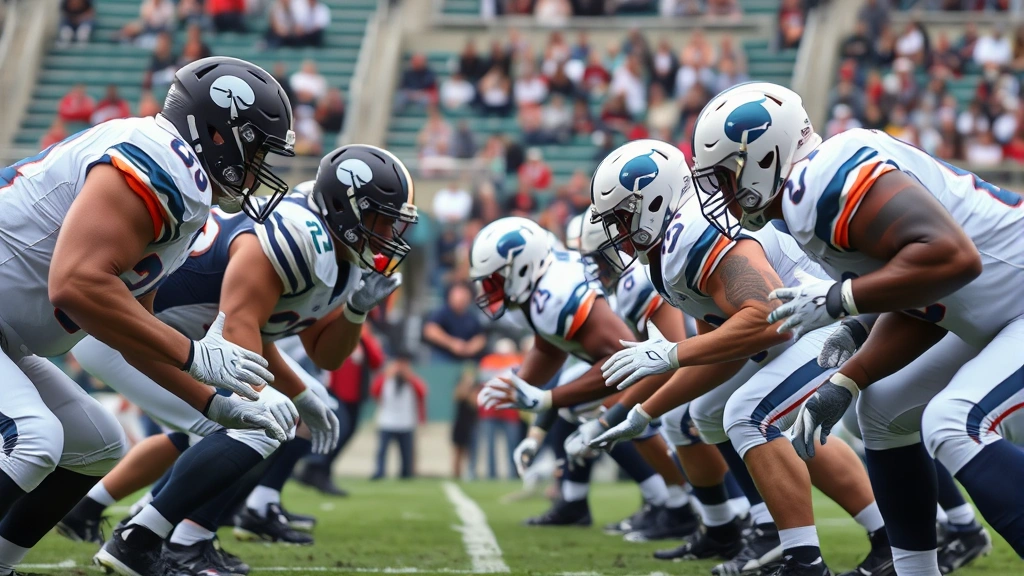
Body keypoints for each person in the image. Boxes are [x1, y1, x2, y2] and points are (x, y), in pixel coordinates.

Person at [690, 81, 1020, 575]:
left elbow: (952, 259)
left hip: (1011, 304)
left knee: (954, 421)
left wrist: (840, 300)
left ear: (763, 156)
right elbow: (930, 300)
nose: (721, 193)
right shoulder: (802, 202)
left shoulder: (818, 185)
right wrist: (851, 372)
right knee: (883, 412)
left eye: (725, 176)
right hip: (998, 310)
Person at [0, 56, 295, 576]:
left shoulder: (185, 184)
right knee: (35, 437)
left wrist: (212, 404)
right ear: (218, 135)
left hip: (8, 333)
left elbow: (134, 331)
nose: (259, 170)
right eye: (255, 151)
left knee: (95, 445)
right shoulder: (160, 162)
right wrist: (194, 354)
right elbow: (75, 283)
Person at [65, 145, 416, 574]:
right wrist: (278, 397)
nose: (391, 230)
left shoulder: (341, 257)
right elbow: (236, 326)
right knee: (253, 421)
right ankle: (151, 540)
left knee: (246, 423)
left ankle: (167, 533)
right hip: (123, 326)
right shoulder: (299, 236)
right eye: (383, 217)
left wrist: (354, 314)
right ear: (347, 207)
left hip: (176, 338)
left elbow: (325, 352)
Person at [583, 138, 893, 576]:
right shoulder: (670, 250)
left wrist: (673, 353)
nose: (617, 232)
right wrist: (644, 411)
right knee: (707, 413)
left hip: (822, 319)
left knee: (748, 415)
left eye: (621, 217)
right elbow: (724, 347)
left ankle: (806, 561)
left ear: (652, 202)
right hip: (790, 324)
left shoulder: (691, 232)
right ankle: (776, 532)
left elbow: (765, 312)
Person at [471, 217, 702, 539]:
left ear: (521, 268)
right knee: (578, 402)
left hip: (678, 361)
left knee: (612, 414)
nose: (588, 267)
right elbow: (550, 345)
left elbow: (625, 361)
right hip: (648, 359)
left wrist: (551, 400)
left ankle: (675, 503)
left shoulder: (564, 289)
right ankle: (585, 502)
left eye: (494, 280)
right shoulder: (541, 291)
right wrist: (531, 415)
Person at [371, 353, 426, 480]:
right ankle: (379, 472)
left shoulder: (411, 381)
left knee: (406, 453)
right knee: (382, 451)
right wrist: (386, 375)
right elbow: (374, 391)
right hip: (387, 421)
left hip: (406, 422)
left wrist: (410, 376)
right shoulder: (386, 379)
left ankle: (406, 473)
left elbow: (422, 392)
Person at [423, 283, 486, 363]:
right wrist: (452, 343)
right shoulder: (442, 312)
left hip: (467, 359)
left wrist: (470, 348)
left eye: (464, 294)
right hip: (443, 357)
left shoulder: (471, 316)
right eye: (458, 294)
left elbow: (481, 337)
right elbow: (430, 330)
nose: (461, 298)